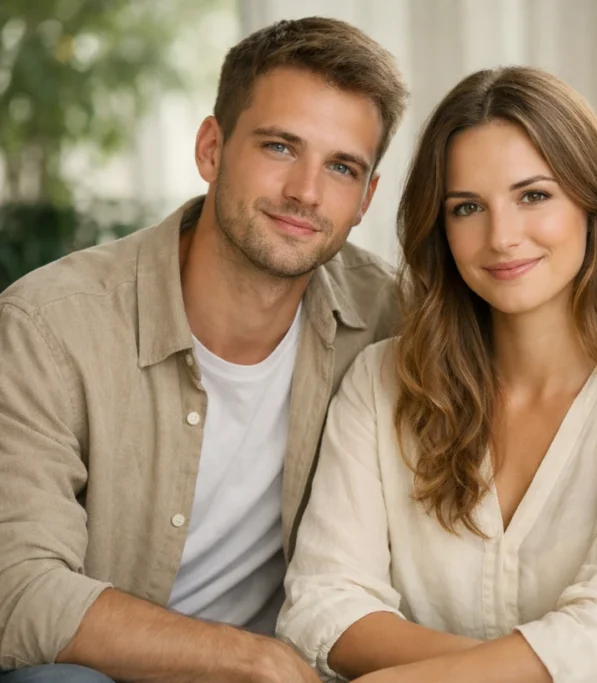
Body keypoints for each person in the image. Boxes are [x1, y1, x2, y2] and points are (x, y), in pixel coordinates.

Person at [275, 66, 597, 683]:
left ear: (590, 205)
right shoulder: (381, 382)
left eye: (534, 196)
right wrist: (537, 664)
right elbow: (321, 609)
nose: (502, 237)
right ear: (440, 228)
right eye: (467, 208)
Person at [0, 17, 408, 683]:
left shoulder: (389, 320)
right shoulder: (50, 328)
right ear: (211, 148)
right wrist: (246, 656)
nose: (306, 192)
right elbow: (14, 587)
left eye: (341, 167)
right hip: (109, 671)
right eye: (280, 147)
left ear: (366, 197)